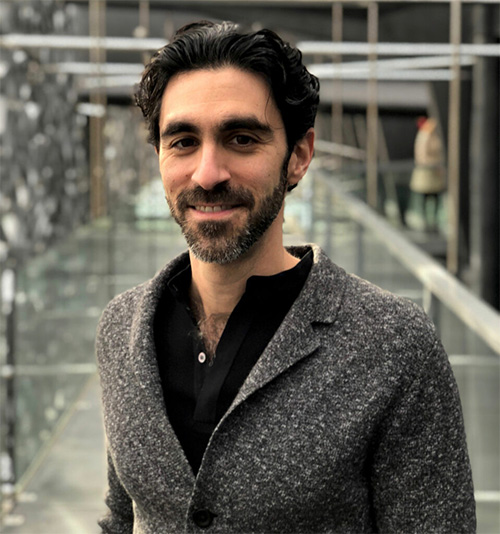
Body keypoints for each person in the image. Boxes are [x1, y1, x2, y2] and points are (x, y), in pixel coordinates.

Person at [96, 21, 475, 533]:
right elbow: (122, 518)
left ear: (298, 156)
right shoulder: (121, 329)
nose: (207, 173)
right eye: (183, 141)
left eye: (242, 138)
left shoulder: (394, 345)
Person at [410, 116, 447, 232]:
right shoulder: (423, 136)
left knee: (435, 196)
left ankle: (434, 220)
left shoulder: (434, 136)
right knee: (425, 196)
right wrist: (433, 165)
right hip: (427, 172)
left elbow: (439, 152)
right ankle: (425, 221)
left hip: (435, 172)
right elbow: (422, 156)